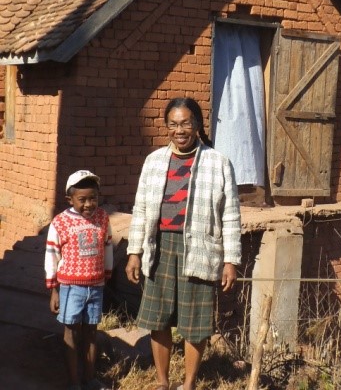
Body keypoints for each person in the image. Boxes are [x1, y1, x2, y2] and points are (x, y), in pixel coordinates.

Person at [125, 97, 241, 390]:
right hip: (160, 247)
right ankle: (163, 381)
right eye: (173, 124)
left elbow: (230, 216)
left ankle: (188, 383)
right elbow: (140, 209)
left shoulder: (218, 163)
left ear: (198, 125)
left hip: (200, 250)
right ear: (167, 127)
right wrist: (134, 252)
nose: (180, 130)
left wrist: (231, 260)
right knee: (159, 319)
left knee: (195, 322)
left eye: (186, 123)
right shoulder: (153, 162)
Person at [45, 170, 113, 390]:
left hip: (96, 286)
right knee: (71, 332)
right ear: (70, 199)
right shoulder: (60, 222)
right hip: (70, 287)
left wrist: (107, 274)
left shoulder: (103, 218)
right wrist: (53, 289)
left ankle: (90, 378)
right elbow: (52, 255)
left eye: (93, 198)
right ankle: (74, 382)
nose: (88, 204)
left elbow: (108, 247)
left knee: (91, 332)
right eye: (82, 200)